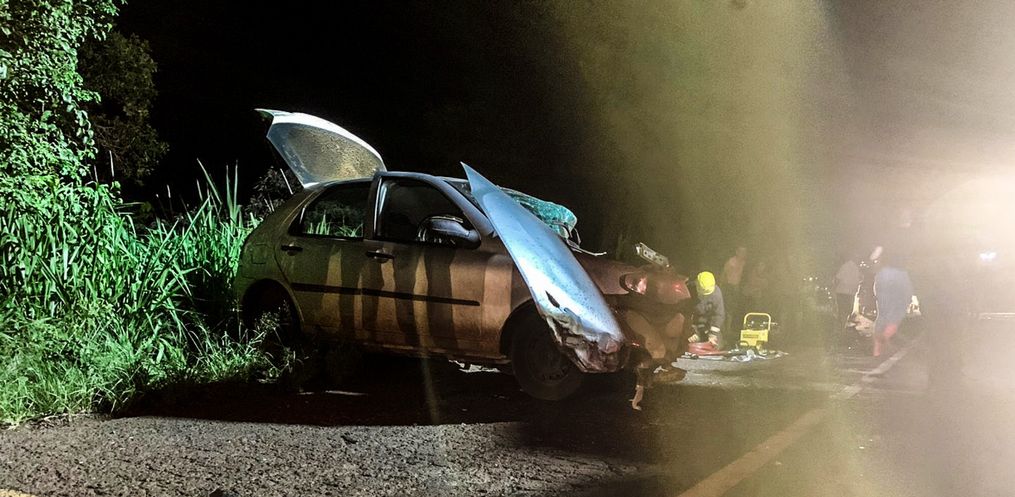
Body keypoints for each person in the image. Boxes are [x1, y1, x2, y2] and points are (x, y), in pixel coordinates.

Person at [872, 257, 914, 357]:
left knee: (881, 320)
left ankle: (877, 350)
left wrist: (878, 296)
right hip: (898, 301)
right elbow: (907, 288)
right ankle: (884, 340)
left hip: (883, 300)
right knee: (893, 322)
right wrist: (908, 300)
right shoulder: (902, 273)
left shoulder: (882, 272)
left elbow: (876, 286)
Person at [688, 271, 726, 348]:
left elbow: (718, 315)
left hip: (708, 326)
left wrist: (713, 334)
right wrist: (689, 331)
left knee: (716, 345)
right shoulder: (689, 291)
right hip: (693, 325)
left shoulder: (716, 293)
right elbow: (684, 314)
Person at [721, 246, 747, 332]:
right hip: (728, 286)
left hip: (737, 287)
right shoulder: (731, 261)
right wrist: (722, 286)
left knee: (733, 307)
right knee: (727, 306)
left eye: (744, 252)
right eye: (741, 251)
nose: (743, 254)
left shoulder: (743, 263)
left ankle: (730, 327)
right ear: (737, 252)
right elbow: (724, 273)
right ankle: (724, 327)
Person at [833, 256, 861, 328]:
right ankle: (842, 325)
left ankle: (841, 326)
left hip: (842, 291)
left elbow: (837, 278)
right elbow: (858, 280)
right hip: (851, 293)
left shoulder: (844, 266)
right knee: (847, 310)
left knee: (842, 310)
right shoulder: (856, 268)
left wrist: (834, 287)